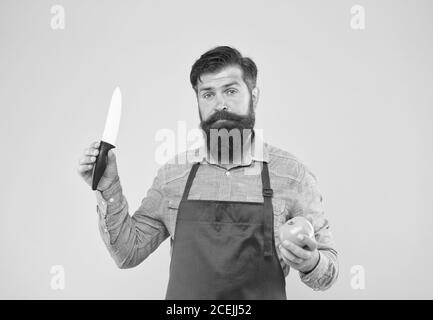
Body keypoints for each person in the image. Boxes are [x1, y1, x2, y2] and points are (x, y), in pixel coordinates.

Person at [77, 46, 339, 299]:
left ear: (254, 96)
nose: (219, 104)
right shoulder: (173, 176)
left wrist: (311, 262)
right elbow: (127, 252)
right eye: (208, 94)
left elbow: (327, 273)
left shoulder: (292, 175)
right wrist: (108, 185)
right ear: (198, 101)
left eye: (231, 90)